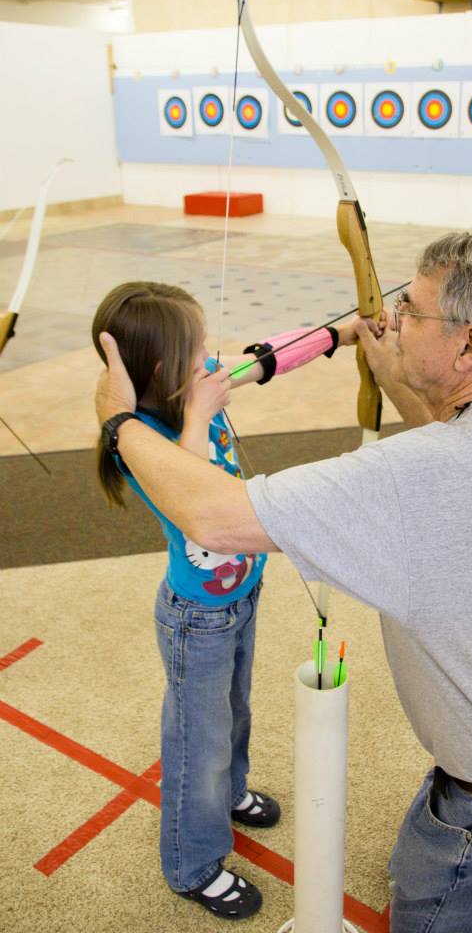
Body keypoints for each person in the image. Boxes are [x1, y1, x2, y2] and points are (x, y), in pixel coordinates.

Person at [94, 237, 472, 932]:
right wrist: (396, 378)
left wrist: (115, 418)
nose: (389, 318)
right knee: (456, 871)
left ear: (470, 344)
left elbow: (212, 516)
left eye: (410, 309)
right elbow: (446, 446)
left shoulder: (417, 475)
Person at [91, 280, 374, 921]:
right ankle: (192, 863)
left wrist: (344, 333)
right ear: (162, 367)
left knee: (235, 712)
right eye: (197, 350)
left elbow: (271, 354)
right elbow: (193, 499)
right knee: (200, 737)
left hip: (243, 592)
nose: (211, 359)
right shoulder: (142, 436)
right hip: (198, 616)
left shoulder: (199, 381)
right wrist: (196, 415)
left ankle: (231, 794)